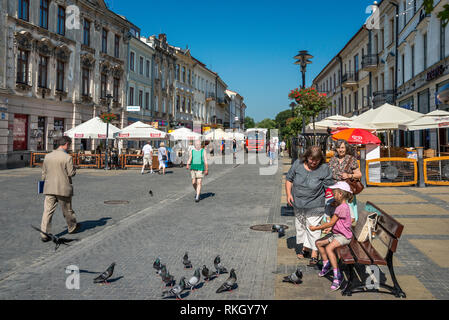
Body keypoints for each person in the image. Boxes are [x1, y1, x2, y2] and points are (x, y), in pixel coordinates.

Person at [285, 146, 335, 266]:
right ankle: (305, 247)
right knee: (301, 226)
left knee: (313, 227)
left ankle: (314, 252)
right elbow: (289, 179)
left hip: (316, 203)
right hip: (298, 203)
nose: (314, 162)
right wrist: (288, 195)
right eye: (311, 159)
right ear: (307, 157)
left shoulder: (324, 169)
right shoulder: (298, 164)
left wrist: (334, 200)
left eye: (316, 160)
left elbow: (330, 186)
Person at [309, 181, 354, 291]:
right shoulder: (341, 206)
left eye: (334, 193)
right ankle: (327, 265)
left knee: (329, 248)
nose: (333, 196)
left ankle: (337, 276)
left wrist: (316, 228)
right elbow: (337, 223)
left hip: (344, 236)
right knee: (318, 243)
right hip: (337, 234)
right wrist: (331, 228)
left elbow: (331, 222)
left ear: (340, 194)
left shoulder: (341, 207)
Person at [39, 136, 80, 241]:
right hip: (63, 188)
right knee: (67, 210)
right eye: (69, 145)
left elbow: (43, 173)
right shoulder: (67, 157)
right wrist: (75, 168)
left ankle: (44, 233)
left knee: (47, 211)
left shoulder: (48, 156)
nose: (69, 147)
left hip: (49, 187)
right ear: (66, 144)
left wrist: (43, 186)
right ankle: (72, 227)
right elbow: (71, 173)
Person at [328, 139, 362, 222]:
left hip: (346, 191)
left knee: (347, 214)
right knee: (334, 212)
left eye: (342, 147)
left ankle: (346, 228)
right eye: (338, 147)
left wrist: (349, 175)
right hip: (335, 191)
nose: (341, 150)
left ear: (346, 148)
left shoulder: (351, 159)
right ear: (336, 149)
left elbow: (359, 174)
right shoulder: (332, 160)